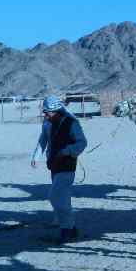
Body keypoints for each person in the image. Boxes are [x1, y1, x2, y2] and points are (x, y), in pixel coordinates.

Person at [30, 96, 88, 243]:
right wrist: (36, 157)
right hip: (54, 164)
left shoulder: (71, 122)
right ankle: (70, 229)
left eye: (47, 112)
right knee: (62, 197)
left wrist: (66, 151)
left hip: (67, 164)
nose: (45, 115)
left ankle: (67, 229)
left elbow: (82, 142)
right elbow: (43, 140)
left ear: (55, 110)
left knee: (55, 196)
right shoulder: (48, 123)